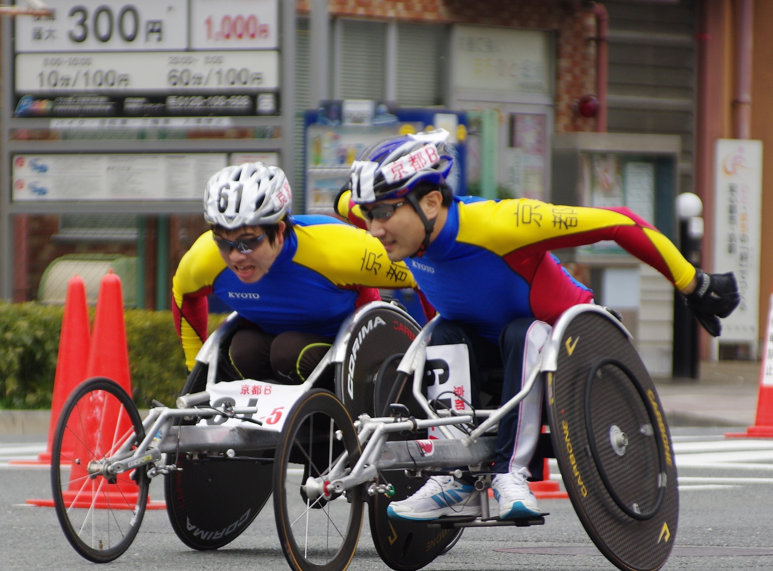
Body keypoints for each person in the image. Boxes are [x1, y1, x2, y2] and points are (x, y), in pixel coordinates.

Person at [338, 130, 739, 521]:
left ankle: (509, 473)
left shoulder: (504, 223)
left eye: (384, 213)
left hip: (565, 344)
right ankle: (452, 473)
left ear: (429, 202)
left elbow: (622, 222)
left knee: (523, 332)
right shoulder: (398, 228)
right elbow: (345, 205)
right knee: (443, 335)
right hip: (482, 348)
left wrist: (694, 283)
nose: (373, 228)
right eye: (370, 214)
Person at [172, 162, 419, 384]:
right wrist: (194, 368)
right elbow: (183, 292)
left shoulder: (336, 248)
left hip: (360, 350)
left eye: (247, 243)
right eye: (224, 244)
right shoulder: (205, 258)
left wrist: (441, 351)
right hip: (281, 351)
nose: (236, 256)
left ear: (278, 231)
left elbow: (422, 272)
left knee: (288, 350)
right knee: (243, 348)